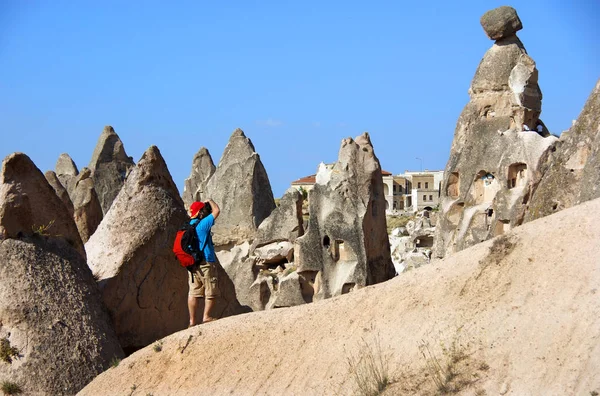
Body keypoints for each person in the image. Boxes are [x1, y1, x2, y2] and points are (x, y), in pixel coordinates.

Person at [187, 199, 220, 326]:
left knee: (193, 292)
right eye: (204, 210)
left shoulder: (188, 225)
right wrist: (210, 201)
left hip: (192, 264)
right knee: (210, 289)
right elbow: (217, 211)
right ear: (200, 212)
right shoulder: (202, 224)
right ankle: (206, 316)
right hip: (206, 261)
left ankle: (192, 321)